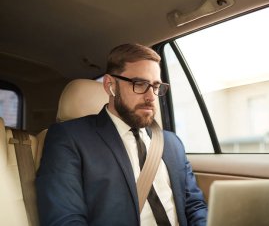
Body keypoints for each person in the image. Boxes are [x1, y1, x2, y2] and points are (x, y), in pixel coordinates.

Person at [36, 43, 208, 226]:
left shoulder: (172, 143)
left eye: (156, 86)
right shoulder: (68, 138)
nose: (151, 97)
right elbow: (65, 219)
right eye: (139, 84)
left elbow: (195, 206)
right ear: (111, 85)